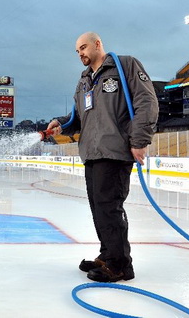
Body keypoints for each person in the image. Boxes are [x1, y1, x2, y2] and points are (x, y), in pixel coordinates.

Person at [47, 32, 158, 282]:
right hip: (92, 153)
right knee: (99, 208)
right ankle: (108, 255)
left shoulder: (125, 65)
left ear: (98, 44)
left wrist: (140, 140)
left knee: (109, 207)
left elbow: (146, 101)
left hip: (115, 150)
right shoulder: (85, 80)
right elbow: (79, 117)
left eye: (83, 48)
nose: (80, 54)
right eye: (77, 51)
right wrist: (61, 124)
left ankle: (120, 265)